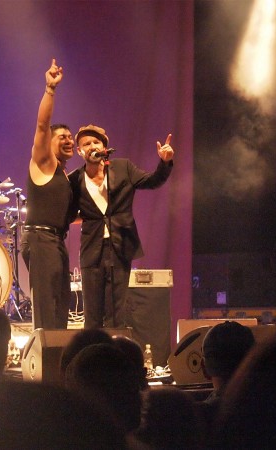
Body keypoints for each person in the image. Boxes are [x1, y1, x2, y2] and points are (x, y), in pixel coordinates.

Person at [68, 125, 174, 329]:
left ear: (104, 146)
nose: (92, 146)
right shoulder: (74, 179)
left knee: (116, 312)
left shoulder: (123, 167)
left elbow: (152, 181)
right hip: (92, 249)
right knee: (92, 314)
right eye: (86, 144)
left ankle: (115, 355)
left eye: (96, 142)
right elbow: (70, 213)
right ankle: (92, 355)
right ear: (79, 151)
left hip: (120, 245)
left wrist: (165, 162)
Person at [20, 59, 75, 330]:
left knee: (60, 304)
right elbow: (43, 126)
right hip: (40, 238)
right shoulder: (45, 162)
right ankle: (46, 366)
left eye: (70, 137)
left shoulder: (64, 176)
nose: (69, 139)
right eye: (62, 136)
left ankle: (59, 364)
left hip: (55, 241)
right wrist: (50, 89)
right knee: (47, 307)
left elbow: (70, 215)